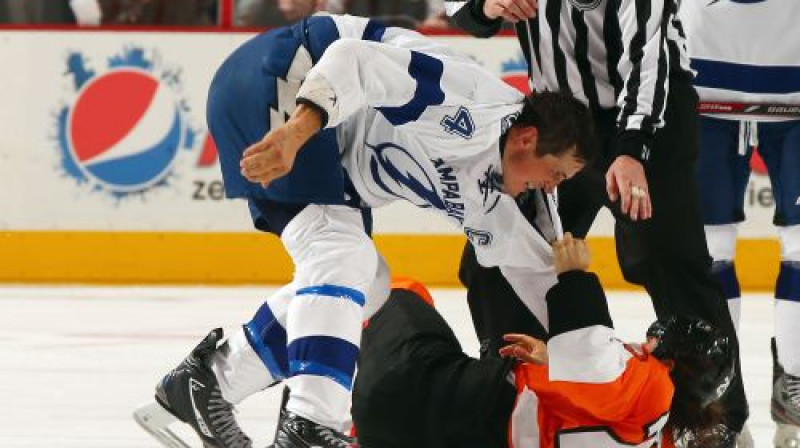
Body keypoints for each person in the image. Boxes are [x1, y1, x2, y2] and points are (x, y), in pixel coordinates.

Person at [133, 13, 594, 448]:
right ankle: (311, 424)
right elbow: (353, 59)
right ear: (527, 139)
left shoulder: (510, 208)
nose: (553, 187)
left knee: (368, 286)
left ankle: (208, 382)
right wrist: (296, 134)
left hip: (330, 151)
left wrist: (605, 366)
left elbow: (543, 290)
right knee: (340, 255)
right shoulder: (471, 105)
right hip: (287, 78)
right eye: (555, 172)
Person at [444, 1, 751, 445]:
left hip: (650, 119)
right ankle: (515, 388)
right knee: (493, 257)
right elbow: (461, 10)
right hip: (557, 120)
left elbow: (648, 57)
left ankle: (713, 416)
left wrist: (632, 148)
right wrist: (484, 6)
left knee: (669, 260)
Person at [352, 234, 736, 448]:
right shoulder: (655, 437)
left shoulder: (654, 387)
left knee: (387, 290)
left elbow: (598, 368)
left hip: (432, 401)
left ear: (675, 358)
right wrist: (554, 358)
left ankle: (314, 386)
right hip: (440, 433)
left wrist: (575, 278)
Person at [678, 1, 800, 447]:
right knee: (709, 252)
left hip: (794, 90)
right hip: (703, 95)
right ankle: (718, 399)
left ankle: (794, 393)